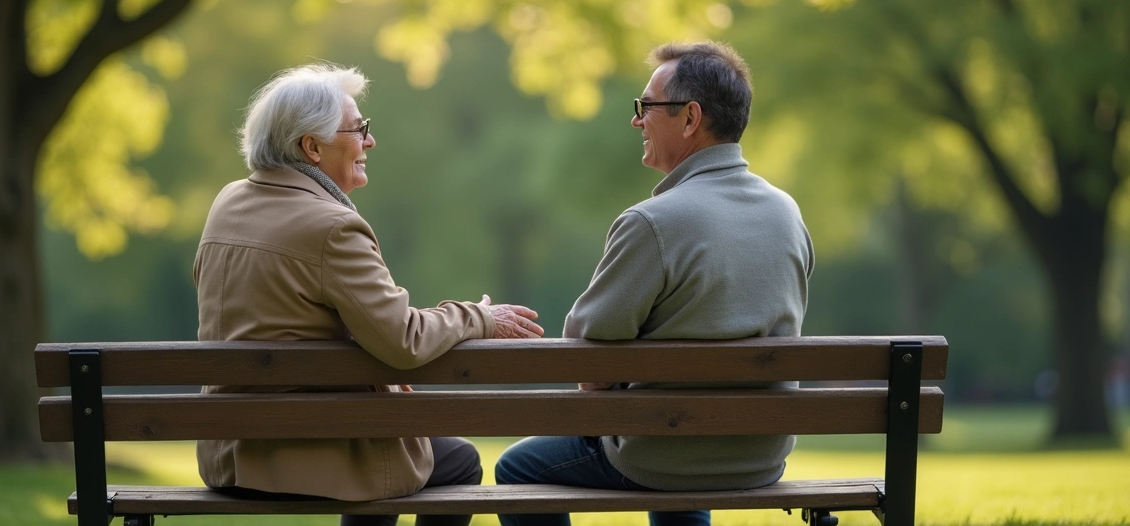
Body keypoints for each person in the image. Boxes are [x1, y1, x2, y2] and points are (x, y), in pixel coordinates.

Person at [194, 63, 544, 526]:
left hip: (227, 453)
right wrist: (478, 317)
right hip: (301, 455)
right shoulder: (333, 227)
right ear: (311, 147)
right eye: (358, 129)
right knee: (456, 460)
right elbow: (403, 339)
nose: (370, 141)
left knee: (387, 435)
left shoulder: (228, 203)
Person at [494, 42, 814, 526]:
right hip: (759, 454)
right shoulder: (787, 213)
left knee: (518, 467)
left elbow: (588, 355)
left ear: (690, 118)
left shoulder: (653, 221)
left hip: (661, 453)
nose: (637, 120)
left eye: (647, 107)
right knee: (675, 438)